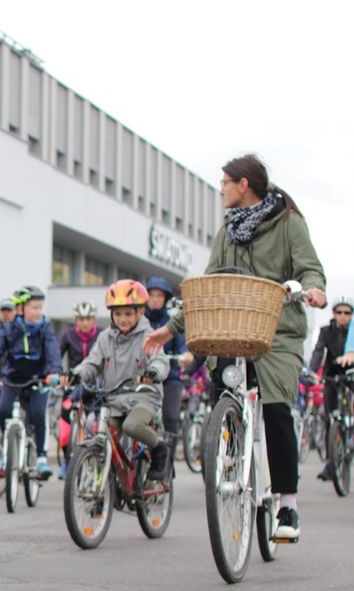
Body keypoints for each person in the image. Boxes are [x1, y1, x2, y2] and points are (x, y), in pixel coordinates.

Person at [146, 154, 326, 541]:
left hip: (277, 331)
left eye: (225, 182)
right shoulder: (227, 231)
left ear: (243, 185)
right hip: (233, 328)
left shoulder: (288, 222)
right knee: (223, 388)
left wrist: (312, 289)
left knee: (277, 407)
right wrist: (171, 328)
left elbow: (309, 266)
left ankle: (288, 505)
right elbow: (210, 287)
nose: (221, 189)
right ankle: (230, 454)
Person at [73, 280, 171, 479]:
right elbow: (92, 363)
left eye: (128, 314)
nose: (122, 319)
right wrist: (76, 373)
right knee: (101, 436)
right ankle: (103, 489)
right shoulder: (105, 337)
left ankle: (159, 448)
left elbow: (161, 361)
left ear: (140, 312)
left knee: (132, 426)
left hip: (143, 397)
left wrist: (153, 372)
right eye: (118, 314)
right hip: (113, 399)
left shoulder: (150, 336)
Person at [0, 285, 62, 479]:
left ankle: (41, 459)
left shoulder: (45, 329)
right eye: (34, 308)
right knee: (4, 410)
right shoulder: (9, 329)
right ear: (21, 309)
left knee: (38, 414)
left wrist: (54, 371)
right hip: (13, 379)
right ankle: (7, 453)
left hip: (39, 379)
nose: (39, 312)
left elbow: (53, 351)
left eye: (40, 308)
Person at [144, 277, 193, 457]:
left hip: (170, 377)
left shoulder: (172, 321)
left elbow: (180, 344)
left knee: (171, 418)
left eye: (159, 296)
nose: (155, 299)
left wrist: (185, 355)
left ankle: (167, 462)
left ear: (165, 299)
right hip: (145, 376)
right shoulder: (140, 320)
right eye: (152, 295)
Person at [57, 300, 102, 477]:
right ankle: (67, 461)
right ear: (76, 320)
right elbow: (57, 357)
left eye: (88, 318)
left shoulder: (101, 335)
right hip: (73, 385)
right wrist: (58, 374)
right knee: (65, 433)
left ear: (94, 319)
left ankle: (97, 460)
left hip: (96, 385)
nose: (84, 322)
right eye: (81, 319)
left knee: (96, 426)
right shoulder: (68, 335)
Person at [309, 297, 352, 480]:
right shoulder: (326, 331)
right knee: (329, 417)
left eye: (347, 313)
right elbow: (319, 351)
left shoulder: (352, 331)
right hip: (331, 375)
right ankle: (330, 461)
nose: (343, 316)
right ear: (333, 313)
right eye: (339, 312)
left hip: (350, 374)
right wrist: (312, 371)